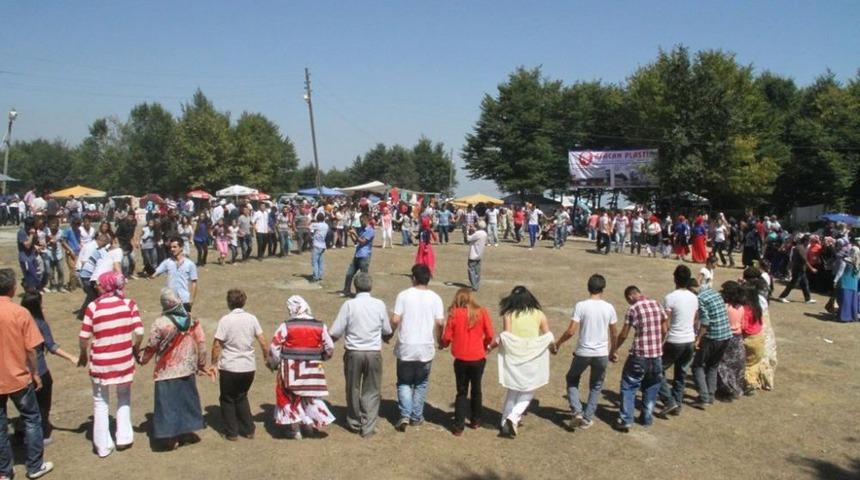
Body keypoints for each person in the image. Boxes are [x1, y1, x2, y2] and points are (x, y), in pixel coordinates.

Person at [138, 288, 214, 450]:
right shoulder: (192, 320)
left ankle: (171, 438)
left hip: (166, 370)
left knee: (167, 404)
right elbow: (201, 343)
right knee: (187, 400)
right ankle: (187, 432)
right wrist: (201, 364)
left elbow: (152, 346)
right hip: (186, 367)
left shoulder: (160, 323)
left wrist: (142, 359)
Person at [78, 272, 144, 458]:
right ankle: (124, 437)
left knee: (100, 402)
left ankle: (103, 445)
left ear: (106, 285)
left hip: (101, 363)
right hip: (123, 359)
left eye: (99, 284)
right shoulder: (128, 304)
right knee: (124, 396)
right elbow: (139, 331)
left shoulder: (93, 307)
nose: (97, 286)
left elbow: (84, 337)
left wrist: (83, 353)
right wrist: (135, 347)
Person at [0, 269, 54, 479]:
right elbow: (32, 348)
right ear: (13, 289)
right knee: (32, 418)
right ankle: (34, 466)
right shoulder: (20, 313)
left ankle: (4, 471)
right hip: (18, 376)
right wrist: (35, 373)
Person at [329, 273, 392, 438]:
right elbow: (387, 330)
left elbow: (335, 331)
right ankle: (368, 425)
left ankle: (354, 421)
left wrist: (326, 345)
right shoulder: (379, 304)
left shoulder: (349, 305)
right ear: (371, 287)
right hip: (373, 353)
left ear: (355, 287)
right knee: (372, 390)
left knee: (352, 388)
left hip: (353, 352)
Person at [552, 274, 618, 430]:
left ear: (588, 288)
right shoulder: (609, 307)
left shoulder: (581, 306)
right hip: (601, 353)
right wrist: (613, 351)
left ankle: (576, 411)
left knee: (572, 378)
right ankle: (587, 417)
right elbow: (614, 333)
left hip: (583, 352)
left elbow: (570, 331)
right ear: (603, 289)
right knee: (596, 385)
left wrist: (558, 343)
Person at [267, 296, 335, 439]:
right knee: (309, 397)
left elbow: (274, 347)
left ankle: (295, 429)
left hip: (290, 370)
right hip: (313, 369)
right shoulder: (320, 326)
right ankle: (309, 426)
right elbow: (329, 347)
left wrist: (275, 363)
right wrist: (322, 357)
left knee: (291, 398)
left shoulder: (286, 326)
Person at [390, 264, 444, 432]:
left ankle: (405, 414)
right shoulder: (435, 298)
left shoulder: (403, 295)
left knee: (404, 382)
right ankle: (416, 416)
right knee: (420, 383)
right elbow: (440, 322)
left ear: (413, 278)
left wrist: (389, 334)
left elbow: (395, 320)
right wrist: (440, 339)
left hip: (406, 345)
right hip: (425, 347)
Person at [497, 286, 553, 438]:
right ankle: (513, 416)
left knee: (512, 390)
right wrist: (553, 347)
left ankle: (504, 422)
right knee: (528, 391)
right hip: (532, 357)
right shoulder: (539, 314)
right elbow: (547, 335)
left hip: (514, 358)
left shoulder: (509, 314)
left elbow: (507, 336)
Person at [211, 289, 267, 441]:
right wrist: (266, 357)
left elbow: (217, 345)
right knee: (242, 396)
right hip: (248, 367)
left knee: (227, 398)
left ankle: (231, 432)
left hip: (230, 367)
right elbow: (262, 340)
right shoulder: (252, 319)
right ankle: (249, 429)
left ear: (228, 303)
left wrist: (213, 364)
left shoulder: (225, 320)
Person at [20, 293, 76, 444]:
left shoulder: (16, 321)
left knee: (27, 405)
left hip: (19, 371)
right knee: (43, 406)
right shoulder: (39, 323)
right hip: (40, 370)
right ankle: (42, 434)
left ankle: (23, 431)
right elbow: (51, 346)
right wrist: (71, 357)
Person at [610, 286, 667, 431]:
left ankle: (626, 419)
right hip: (657, 355)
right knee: (652, 386)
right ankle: (646, 417)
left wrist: (614, 349)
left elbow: (623, 334)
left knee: (629, 386)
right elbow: (665, 328)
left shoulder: (633, 309)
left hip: (640, 355)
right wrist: (658, 344)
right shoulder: (657, 304)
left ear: (630, 297)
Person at [440, 288, 495, 436]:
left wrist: (444, 344)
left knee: (462, 391)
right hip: (478, 357)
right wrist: (484, 346)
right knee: (476, 389)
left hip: (461, 358)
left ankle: (458, 426)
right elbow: (490, 334)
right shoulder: (481, 312)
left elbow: (446, 337)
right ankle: (476, 419)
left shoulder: (454, 314)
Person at [692, 278, 733, 408]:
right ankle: (710, 395)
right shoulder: (714, 294)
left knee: (697, 365)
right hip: (726, 335)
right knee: (713, 366)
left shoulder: (700, 299)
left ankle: (704, 397)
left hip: (712, 337)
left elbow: (705, 322)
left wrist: (698, 339)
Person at [715, 281, 746, 400]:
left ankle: (726, 389)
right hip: (738, 338)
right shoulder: (741, 307)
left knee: (723, 365)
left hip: (726, 337)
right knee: (736, 365)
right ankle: (735, 388)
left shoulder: (725, 307)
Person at [154, 237, 199, 312]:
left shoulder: (190, 264)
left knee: (184, 323)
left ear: (181, 247)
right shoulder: (167, 262)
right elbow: (154, 274)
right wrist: (147, 268)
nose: (172, 249)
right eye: (171, 247)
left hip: (184, 300)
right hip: (170, 300)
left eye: (175, 247)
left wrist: (192, 300)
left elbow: (194, 282)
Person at [342, 214, 375, 297]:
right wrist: (351, 235)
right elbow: (356, 242)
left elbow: (363, 242)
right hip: (357, 254)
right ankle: (346, 290)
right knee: (349, 273)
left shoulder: (370, 231)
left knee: (363, 276)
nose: (360, 223)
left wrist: (355, 234)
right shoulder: (361, 229)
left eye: (362, 221)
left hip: (365, 256)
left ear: (367, 220)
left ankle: (363, 293)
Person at [777, 235, 817, 304]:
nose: (809, 243)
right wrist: (811, 268)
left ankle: (808, 299)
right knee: (793, 284)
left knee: (805, 284)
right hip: (798, 270)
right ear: (805, 241)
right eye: (809, 241)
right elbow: (804, 260)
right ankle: (782, 296)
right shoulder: (800, 248)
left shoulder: (800, 247)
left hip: (801, 269)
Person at [832, 245, 859, 322]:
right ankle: (852, 317)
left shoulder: (845, 260)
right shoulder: (858, 263)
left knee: (844, 301)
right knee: (851, 301)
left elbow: (840, 272)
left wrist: (835, 280)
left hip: (845, 283)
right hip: (854, 284)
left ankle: (844, 317)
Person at [467, 220, 488, 291]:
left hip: (473, 254)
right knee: (477, 271)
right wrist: (473, 230)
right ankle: (477, 285)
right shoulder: (484, 233)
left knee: (471, 270)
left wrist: (468, 231)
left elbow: (468, 238)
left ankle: (474, 285)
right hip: (480, 254)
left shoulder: (477, 233)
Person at [310, 212, 329, 282]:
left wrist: (313, 221)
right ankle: (320, 275)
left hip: (316, 244)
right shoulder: (326, 225)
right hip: (323, 245)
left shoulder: (317, 225)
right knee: (320, 261)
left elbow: (310, 227)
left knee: (314, 261)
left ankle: (315, 276)